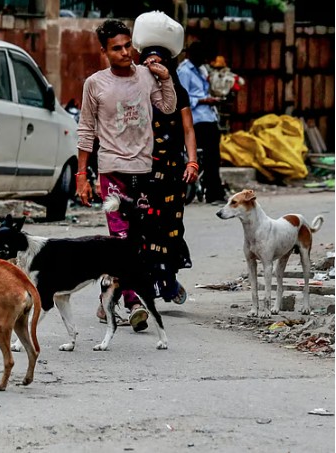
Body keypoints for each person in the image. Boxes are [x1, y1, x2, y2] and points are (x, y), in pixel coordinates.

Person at [76, 19, 177, 332]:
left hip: (143, 171)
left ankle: (108, 295)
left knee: (140, 239)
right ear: (104, 51)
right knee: (120, 237)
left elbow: (168, 107)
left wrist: (165, 78)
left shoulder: (147, 76)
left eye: (127, 45)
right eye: (116, 48)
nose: (124, 52)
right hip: (112, 171)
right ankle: (133, 302)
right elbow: (86, 129)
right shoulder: (95, 84)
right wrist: (82, 173)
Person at [139, 46, 198, 305]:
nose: (152, 65)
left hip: (173, 171)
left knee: (171, 227)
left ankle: (169, 279)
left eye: (157, 61)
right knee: (144, 228)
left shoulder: (178, 92)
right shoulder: (137, 92)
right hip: (143, 170)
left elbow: (188, 130)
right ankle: (148, 283)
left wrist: (192, 162)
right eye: (147, 61)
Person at [177, 41, 227, 204]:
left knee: (213, 156)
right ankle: (213, 192)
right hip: (196, 121)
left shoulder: (199, 70)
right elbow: (182, 99)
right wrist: (204, 100)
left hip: (207, 118)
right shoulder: (184, 71)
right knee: (211, 155)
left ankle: (213, 188)